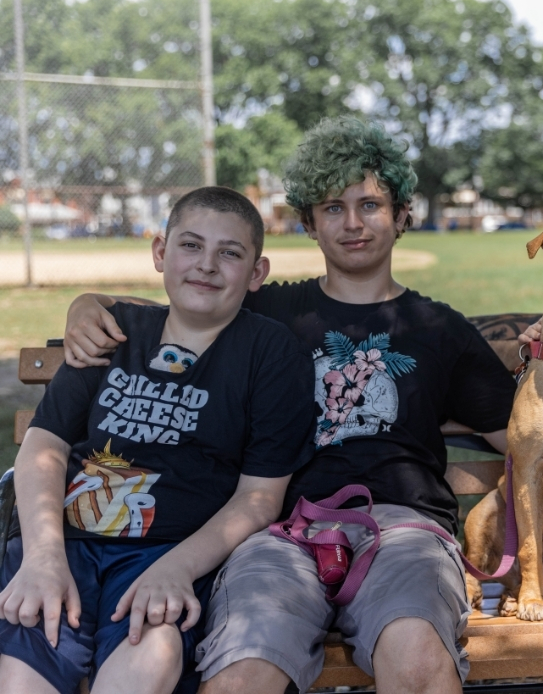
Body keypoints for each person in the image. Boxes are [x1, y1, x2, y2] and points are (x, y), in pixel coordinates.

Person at [62, 116, 516, 694]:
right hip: (279, 533)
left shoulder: (439, 329)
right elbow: (155, 316)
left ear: (402, 215)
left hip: (404, 531)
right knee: (242, 672)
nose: (352, 223)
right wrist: (87, 303)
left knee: (418, 656)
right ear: (307, 222)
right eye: (331, 208)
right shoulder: (267, 313)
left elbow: (525, 443)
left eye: (370, 204)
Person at [0, 187, 314, 694]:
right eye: (190, 246)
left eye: (229, 253)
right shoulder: (113, 331)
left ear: (257, 273)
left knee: (152, 660)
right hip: (63, 546)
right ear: (160, 253)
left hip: (166, 555)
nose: (207, 265)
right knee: (20, 679)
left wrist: (177, 569)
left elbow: (259, 497)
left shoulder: (268, 352)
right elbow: (45, 447)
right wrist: (42, 557)